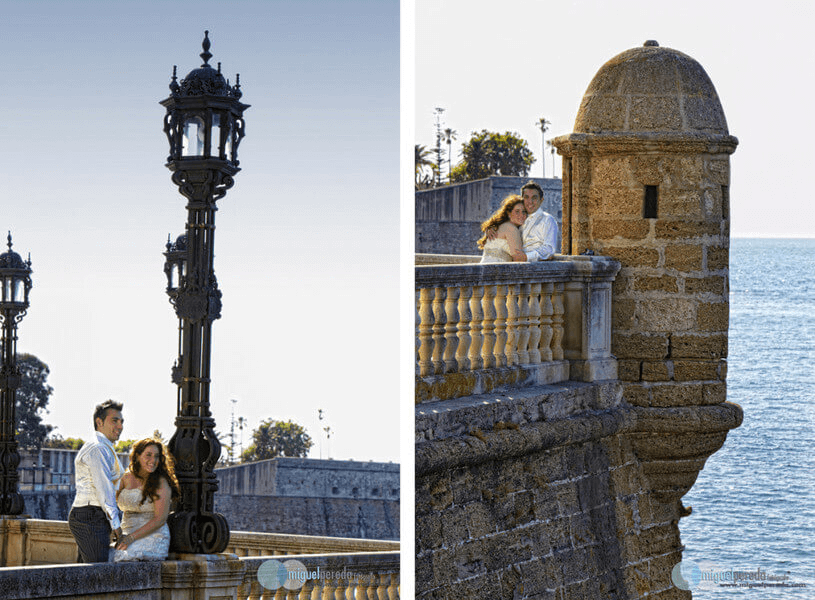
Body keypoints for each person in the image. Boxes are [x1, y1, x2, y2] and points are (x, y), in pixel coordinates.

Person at [68, 399, 125, 562]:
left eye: (121, 421)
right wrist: (117, 527)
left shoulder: (104, 447)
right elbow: (104, 491)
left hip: (92, 515)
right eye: (115, 421)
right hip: (90, 515)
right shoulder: (98, 448)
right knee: (97, 574)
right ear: (99, 422)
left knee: (86, 575)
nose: (120, 426)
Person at [113, 438, 180, 562]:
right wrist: (116, 530)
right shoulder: (125, 477)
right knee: (101, 555)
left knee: (122, 559)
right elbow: (109, 504)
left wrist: (131, 538)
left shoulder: (161, 482)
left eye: (156, 456)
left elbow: (159, 519)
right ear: (137, 456)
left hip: (152, 536)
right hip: (126, 533)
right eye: (148, 455)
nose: (153, 460)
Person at [486, 181, 559, 261]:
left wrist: (526, 257)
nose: (530, 202)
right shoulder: (519, 218)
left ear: (541, 200)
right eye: (526, 197)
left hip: (533, 267)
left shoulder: (548, 220)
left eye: (534, 198)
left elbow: (549, 248)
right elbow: (504, 228)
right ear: (522, 199)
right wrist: (492, 228)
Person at [477, 194, 528, 263]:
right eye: (517, 211)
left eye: (524, 212)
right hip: (496, 270)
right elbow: (518, 259)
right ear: (509, 214)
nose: (521, 215)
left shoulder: (500, 226)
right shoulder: (511, 229)